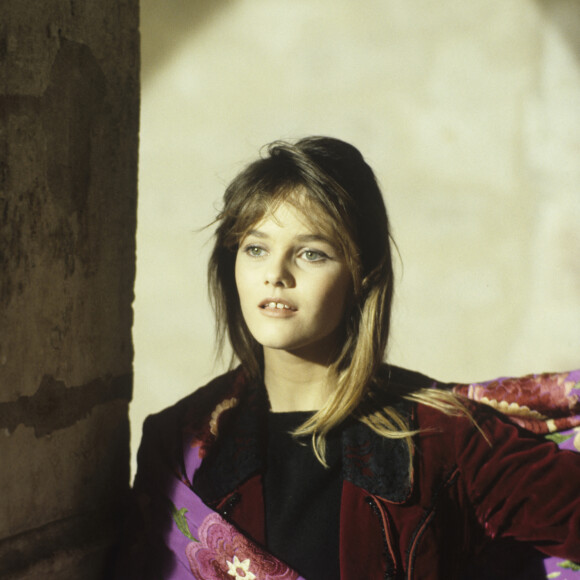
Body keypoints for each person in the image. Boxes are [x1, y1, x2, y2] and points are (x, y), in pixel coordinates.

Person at [116, 137, 580, 579]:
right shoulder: (182, 445)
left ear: (362, 274)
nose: (275, 274)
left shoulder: (444, 438)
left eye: (311, 254)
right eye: (256, 249)